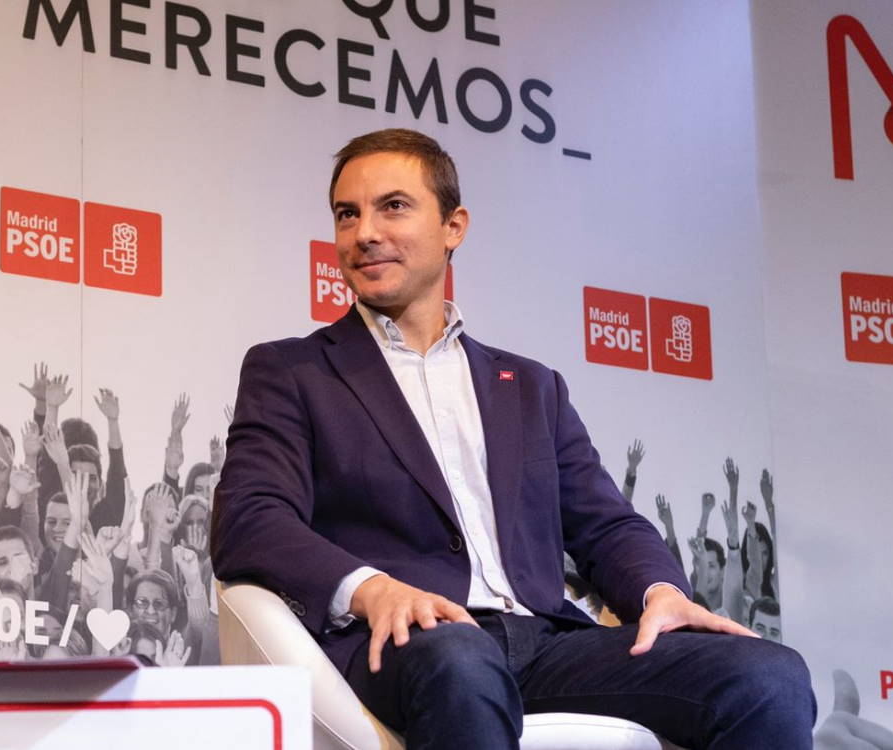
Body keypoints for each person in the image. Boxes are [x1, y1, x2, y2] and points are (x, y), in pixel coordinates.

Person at [212, 128, 815, 749]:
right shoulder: (293, 371)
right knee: (462, 661)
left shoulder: (529, 387)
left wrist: (661, 592)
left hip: (547, 644)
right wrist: (372, 588)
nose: (364, 232)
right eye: (347, 214)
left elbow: (605, 524)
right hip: (408, 645)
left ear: (454, 226)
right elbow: (251, 520)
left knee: (767, 675)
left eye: (393, 206)